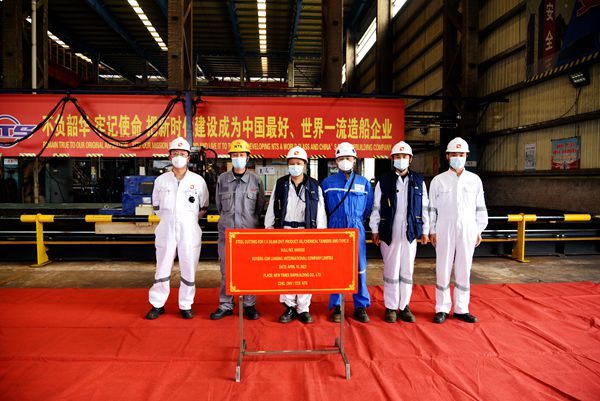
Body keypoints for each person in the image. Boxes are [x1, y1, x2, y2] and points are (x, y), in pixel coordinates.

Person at [146, 137, 209, 320]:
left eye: (182, 154)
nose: (179, 156)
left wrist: (187, 220)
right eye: (175, 153)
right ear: (169, 156)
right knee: (162, 267)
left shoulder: (198, 181)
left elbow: (203, 207)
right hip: (166, 229)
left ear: (188, 157)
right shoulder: (161, 181)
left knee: (189, 267)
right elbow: (156, 206)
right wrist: (170, 219)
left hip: (189, 230)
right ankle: (158, 304)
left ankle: (186, 304)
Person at [429, 137, 488, 324]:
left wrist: (478, 230)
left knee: (464, 268)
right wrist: (432, 230)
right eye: (454, 154)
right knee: (443, 268)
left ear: (466, 156)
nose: (457, 157)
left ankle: (462, 309)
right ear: (447, 156)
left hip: (468, 229)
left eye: (461, 154)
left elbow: (480, 207)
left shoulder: (474, 180)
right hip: (444, 228)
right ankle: (442, 308)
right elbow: (431, 209)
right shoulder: (438, 181)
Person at [264, 146, 327, 324]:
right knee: (288, 269)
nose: (295, 166)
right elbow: (272, 206)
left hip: (306, 232)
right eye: (292, 163)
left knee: (305, 270)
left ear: (305, 165)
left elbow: (320, 211)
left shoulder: (314, 185)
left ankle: (303, 308)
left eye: (299, 163)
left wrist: (320, 233)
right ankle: (289, 306)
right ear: (288, 165)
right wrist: (269, 227)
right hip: (285, 231)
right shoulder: (281, 183)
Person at [369, 141, 429, 323]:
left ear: (410, 159)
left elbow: (424, 207)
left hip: (410, 232)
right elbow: (376, 207)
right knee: (391, 270)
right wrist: (374, 229)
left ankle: (404, 306)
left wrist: (425, 230)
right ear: (392, 159)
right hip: (390, 231)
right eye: (397, 157)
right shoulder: (384, 180)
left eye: (404, 157)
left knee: (407, 270)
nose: (401, 159)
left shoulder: (418, 181)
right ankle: (390, 307)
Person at [210, 139, 265, 320]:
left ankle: (249, 304)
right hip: (227, 233)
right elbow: (219, 206)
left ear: (248, 158)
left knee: (249, 270)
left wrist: (248, 222)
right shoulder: (222, 180)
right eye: (235, 155)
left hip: (249, 233)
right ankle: (225, 304)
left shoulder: (256, 180)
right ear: (230, 157)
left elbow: (259, 207)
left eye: (242, 155)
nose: (238, 158)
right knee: (226, 270)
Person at [321, 142, 373, 323]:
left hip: (356, 228)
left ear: (354, 160)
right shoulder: (327, 183)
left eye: (348, 158)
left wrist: (355, 220)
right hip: (335, 229)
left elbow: (368, 208)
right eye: (341, 158)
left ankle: (360, 306)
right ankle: (337, 305)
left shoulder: (363, 183)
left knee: (359, 268)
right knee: (336, 267)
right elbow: (323, 208)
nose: (345, 161)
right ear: (336, 161)